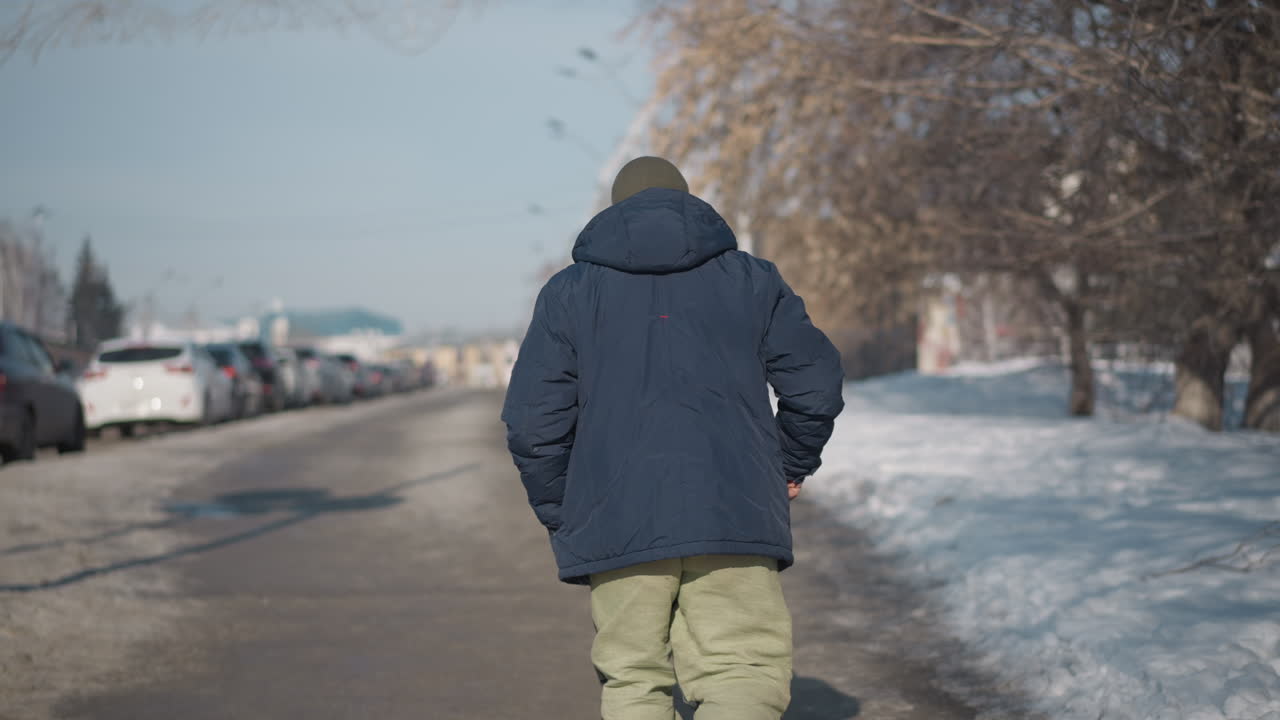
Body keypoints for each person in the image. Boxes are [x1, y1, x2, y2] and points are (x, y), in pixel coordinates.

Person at [501, 156, 845, 720]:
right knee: (742, 667)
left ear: (614, 211)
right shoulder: (753, 280)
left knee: (634, 676)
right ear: (689, 203)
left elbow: (533, 419)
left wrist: (563, 508)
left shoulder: (568, 293)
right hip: (734, 508)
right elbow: (815, 383)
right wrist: (788, 463)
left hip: (615, 514)